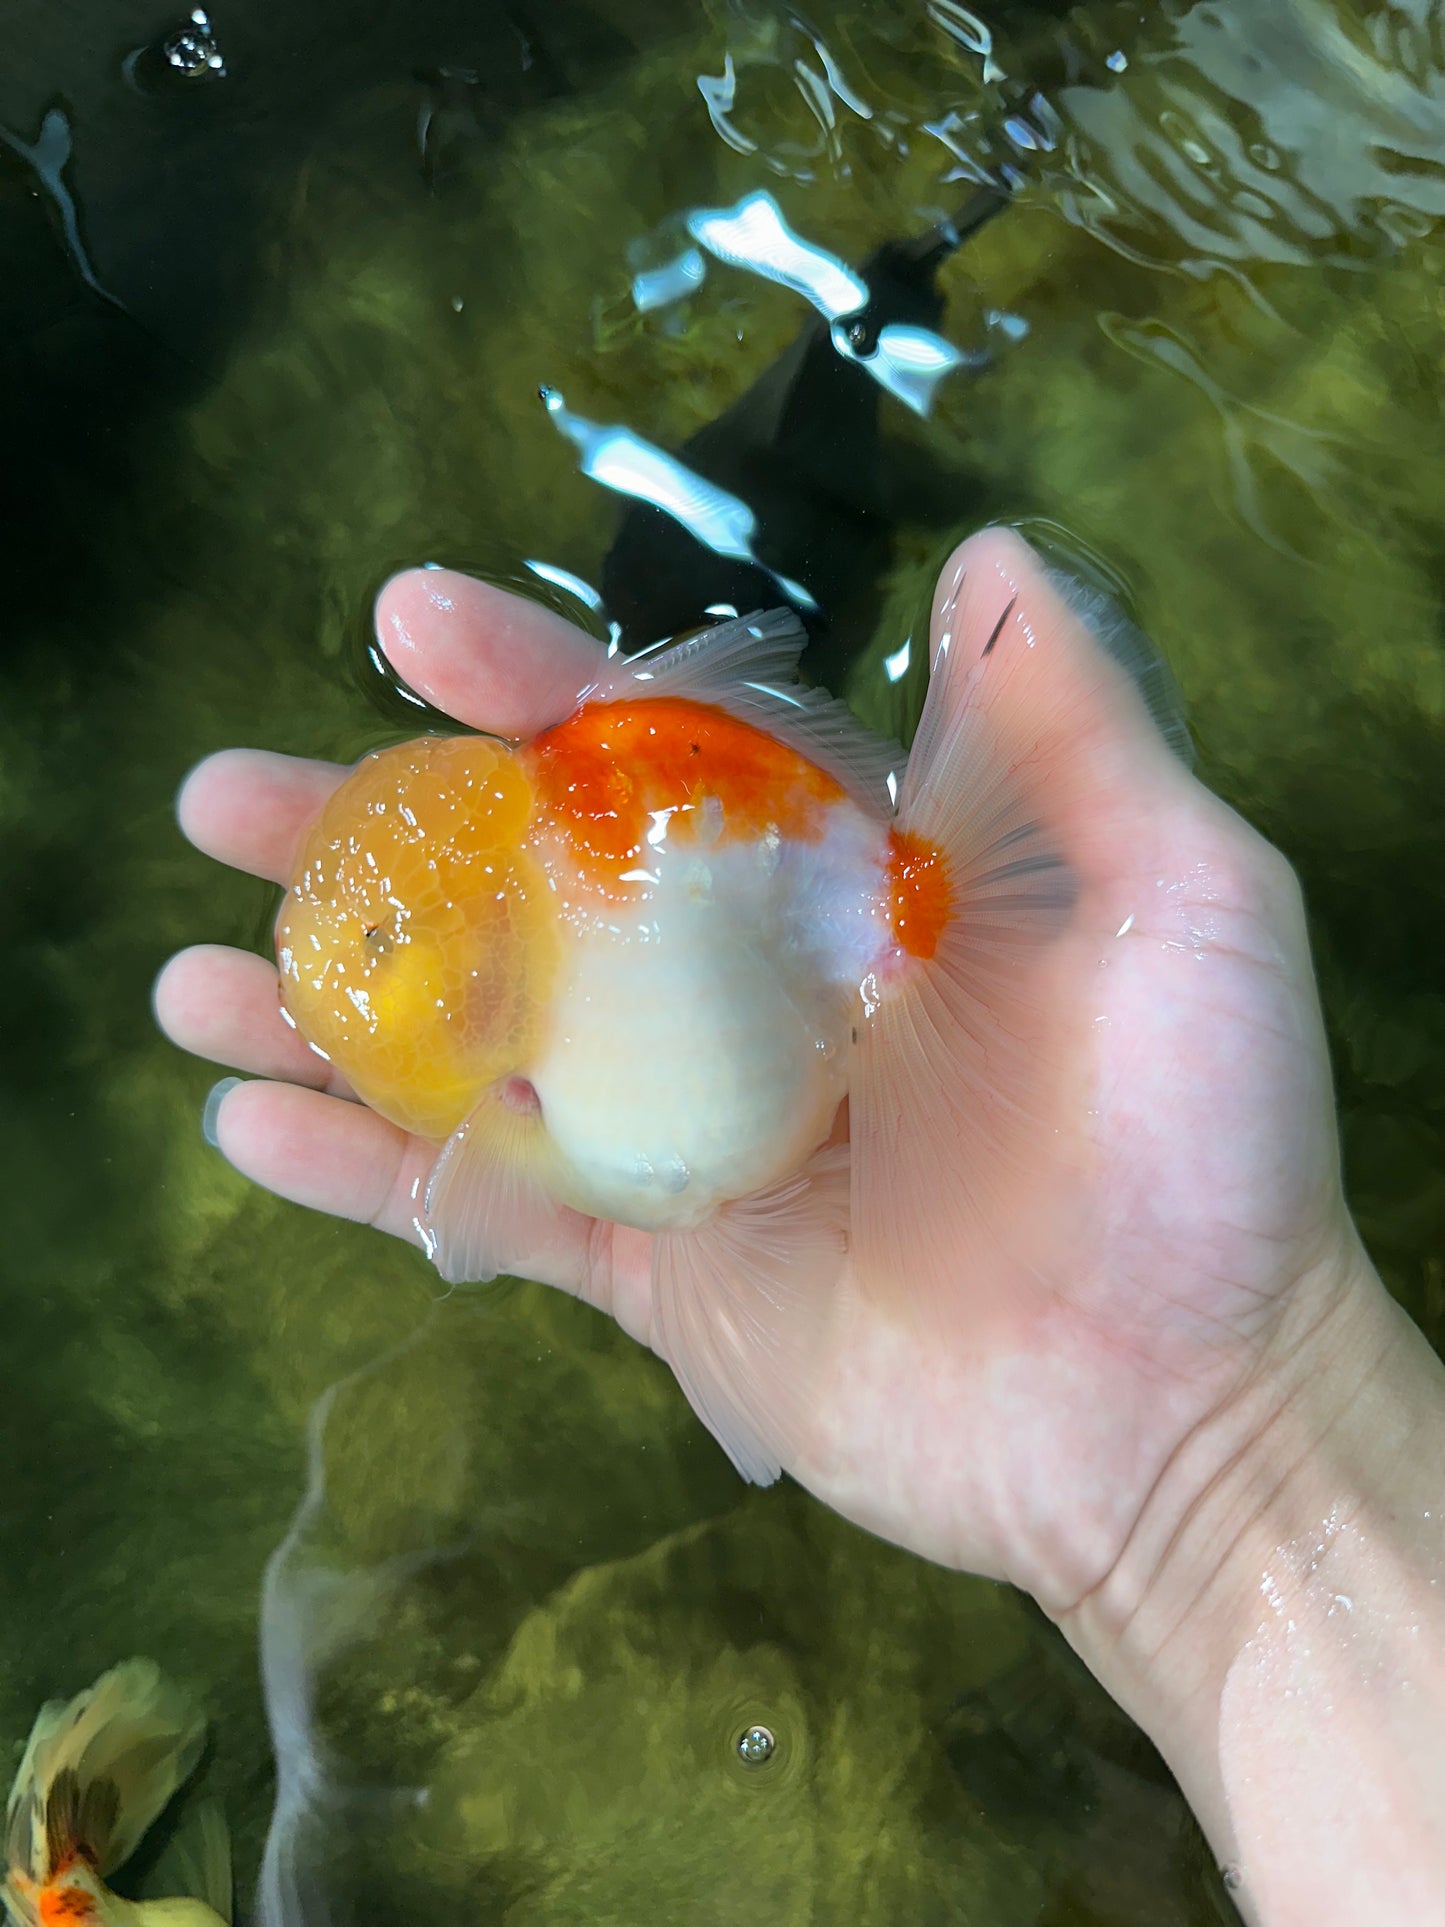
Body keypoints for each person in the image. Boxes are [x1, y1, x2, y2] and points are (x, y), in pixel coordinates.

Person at [154, 536, 1445, 1925]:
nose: (342, 963)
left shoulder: (536, 1058)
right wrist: (1258, 1444)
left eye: (374, 951)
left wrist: (1242, 1427)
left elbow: (489, 1198)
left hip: (803, 929)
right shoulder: (535, 987)